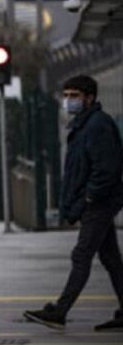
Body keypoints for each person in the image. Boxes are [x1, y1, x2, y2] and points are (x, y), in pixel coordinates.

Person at [24, 75, 123, 331]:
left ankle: (60, 311)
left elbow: (106, 169)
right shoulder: (83, 125)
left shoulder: (97, 125)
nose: (69, 100)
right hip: (96, 201)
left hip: (99, 203)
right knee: (111, 258)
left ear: (90, 98)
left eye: (74, 96)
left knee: (81, 255)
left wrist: (89, 197)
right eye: (66, 95)